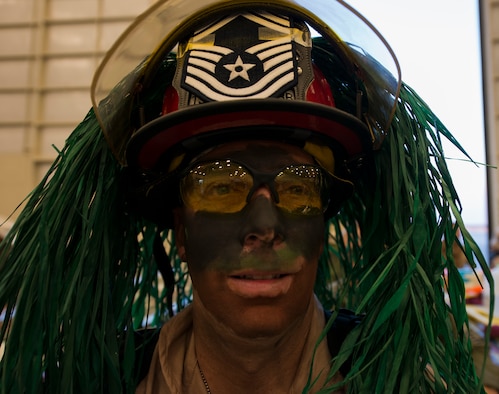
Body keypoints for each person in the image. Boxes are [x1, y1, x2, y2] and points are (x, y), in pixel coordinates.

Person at [0, 0, 492, 393]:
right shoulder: (104, 380)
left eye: (298, 185)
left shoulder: (405, 381)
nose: (265, 226)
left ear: (322, 223)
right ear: (182, 231)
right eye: (220, 185)